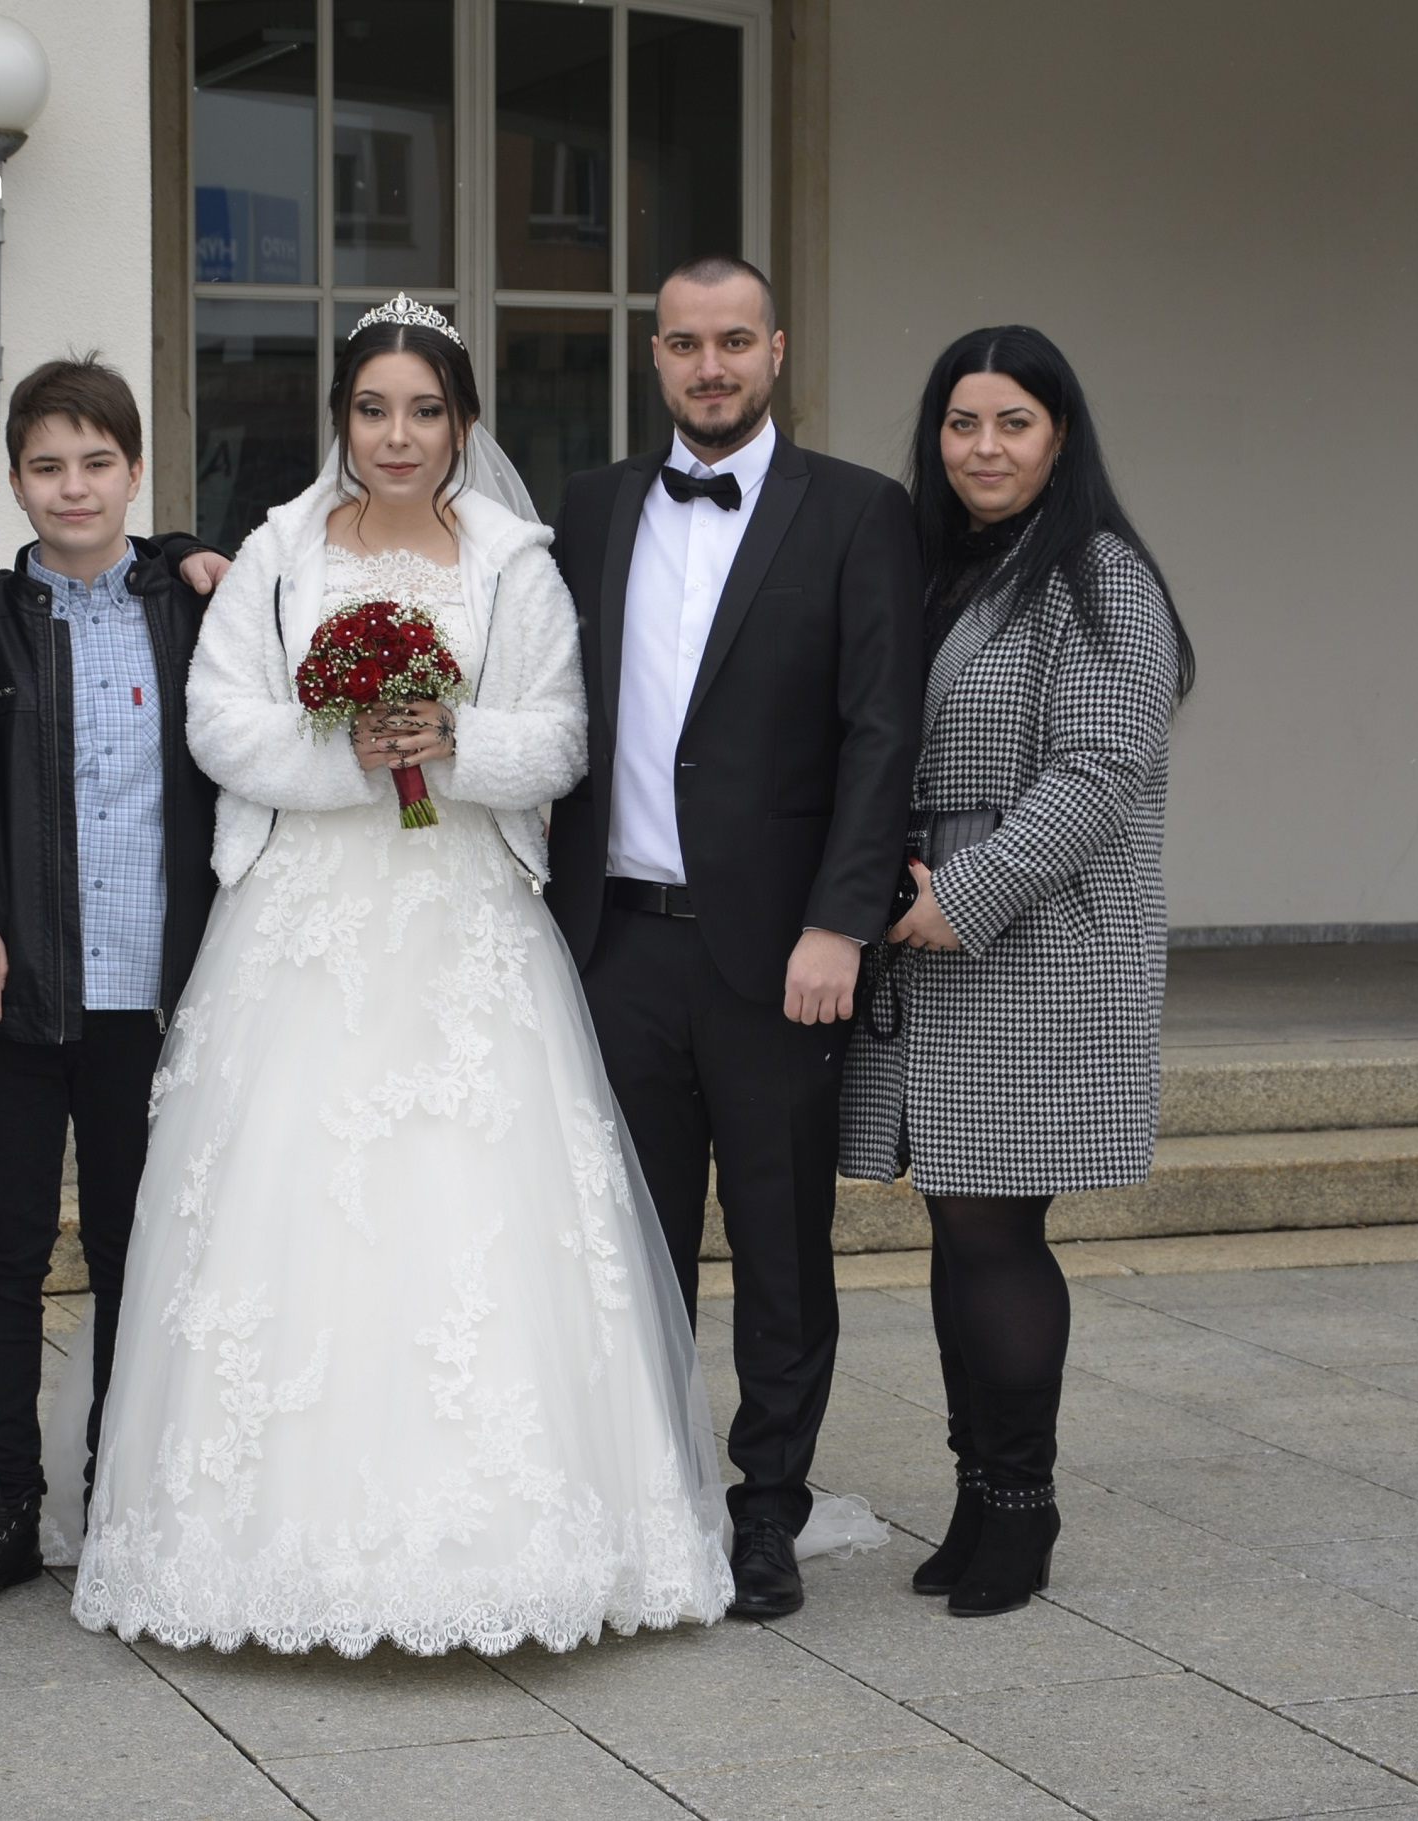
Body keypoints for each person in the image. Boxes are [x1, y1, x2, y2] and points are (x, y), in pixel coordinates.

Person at [62, 294, 742, 1656]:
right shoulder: (277, 553)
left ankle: (516, 1544)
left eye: (424, 410)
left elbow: (557, 737)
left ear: (463, 423)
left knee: (474, 1215)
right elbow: (220, 722)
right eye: (373, 409)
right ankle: (262, 1554)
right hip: (305, 926)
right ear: (341, 421)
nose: (398, 434)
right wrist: (351, 756)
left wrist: (452, 738)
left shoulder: (514, 561)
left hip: (467, 924)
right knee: (295, 1219)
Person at [546, 256, 922, 1621]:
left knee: (777, 1245)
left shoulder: (860, 515)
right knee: (631, 1250)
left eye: (734, 343)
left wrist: (841, 923)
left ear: (776, 350)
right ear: (654, 356)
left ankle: (768, 1510)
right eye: (685, 344)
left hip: (780, 956)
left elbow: (884, 733)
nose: (710, 366)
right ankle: (653, 1499)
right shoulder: (589, 507)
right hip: (613, 946)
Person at [840, 324, 1195, 1618]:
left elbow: (1103, 774)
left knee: (995, 1227)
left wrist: (968, 895)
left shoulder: (1098, 575)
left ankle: (1024, 1506)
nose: (984, 448)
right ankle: (976, 1494)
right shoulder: (936, 564)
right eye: (961, 423)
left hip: (1034, 945)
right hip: (935, 944)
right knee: (958, 1222)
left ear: (1060, 436)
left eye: (1014, 424)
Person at [0, 356, 227, 1612]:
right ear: (14, 481)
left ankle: (121, 1495)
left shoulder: (197, 606)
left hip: (153, 1000)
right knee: (2, 1251)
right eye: (47, 466)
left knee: (133, 1249)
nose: (73, 487)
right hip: (11, 989)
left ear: (135, 472)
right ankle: (0, 1505)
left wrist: (202, 552)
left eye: (97, 462)